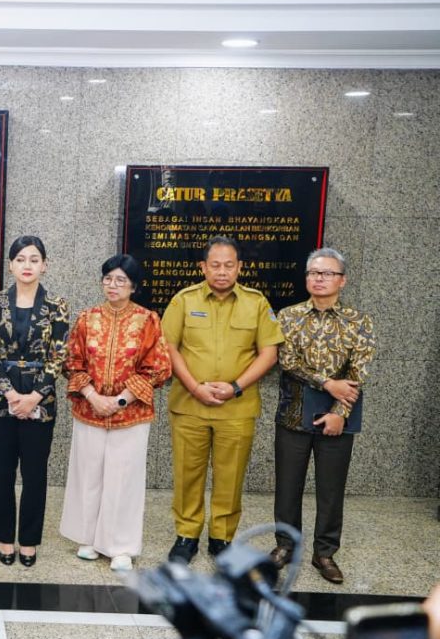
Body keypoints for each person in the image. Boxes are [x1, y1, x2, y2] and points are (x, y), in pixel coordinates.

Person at [161, 236, 284, 563]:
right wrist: (194, 387)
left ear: (240, 267)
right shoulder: (183, 300)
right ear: (202, 267)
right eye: (215, 265)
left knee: (230, 477)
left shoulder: (256, 303)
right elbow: (168, 348)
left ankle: (222, 539)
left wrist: (235, 387)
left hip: (236, 408)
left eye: (229, 265)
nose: (222, 271)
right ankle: (186, 536)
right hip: (189, 406)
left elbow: (269, 353)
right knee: (187, 473)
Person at [269, 248, 376, 584]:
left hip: (338, 418)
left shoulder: (359, 321)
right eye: (314, 273)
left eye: (328, 273)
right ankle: (286, 545)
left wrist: (339, 412)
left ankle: (325, 553)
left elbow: (358, 372)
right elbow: (287, 362)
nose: (319, 278)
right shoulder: (288, 316)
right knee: (287, 486)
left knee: (331, 489)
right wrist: (328, 383)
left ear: (342, 280)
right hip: (294, 412)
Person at [59, 254, 171, 571]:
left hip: (130, 415)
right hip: (90, 409)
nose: (113, 285)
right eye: (108, 279)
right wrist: (93, 396)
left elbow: (158, 367)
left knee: (124, 479)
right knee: (88, 474)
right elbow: (72, 363)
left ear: (133, 286)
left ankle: (120, 546)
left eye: (121, 280)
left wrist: (120, 400)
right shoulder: (87, 318)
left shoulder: (148, 320)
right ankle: (88, 539)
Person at [0, 236, 69, 567]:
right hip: (1, 401)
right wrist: (11, 394)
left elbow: (58, 355)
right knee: (2, 472)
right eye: (20, 259)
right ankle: (4, 537)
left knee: (34, 475)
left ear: (45, 265)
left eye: (34, 259)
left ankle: (29, 540)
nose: (27, 265)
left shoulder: (57, 306)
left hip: (40, 403)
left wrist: (33, 397)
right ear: (11, 265)